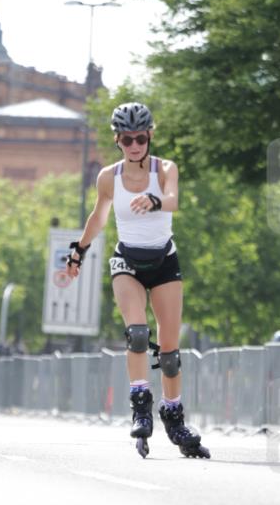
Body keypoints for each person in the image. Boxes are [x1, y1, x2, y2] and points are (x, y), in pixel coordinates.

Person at [66, 102, 210, 459]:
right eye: (127, 139)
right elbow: (98, 217)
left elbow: (173, 200)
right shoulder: (108, 178)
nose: (134, 145)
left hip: (164, 261)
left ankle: (174, 416)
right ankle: (141, 405)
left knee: (170, 352)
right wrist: (78, 251)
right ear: (117, 140)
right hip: (127, 260)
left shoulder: (165, 169)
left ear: (150, 136)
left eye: (140, 138)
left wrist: (154, 201)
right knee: (138, 333)